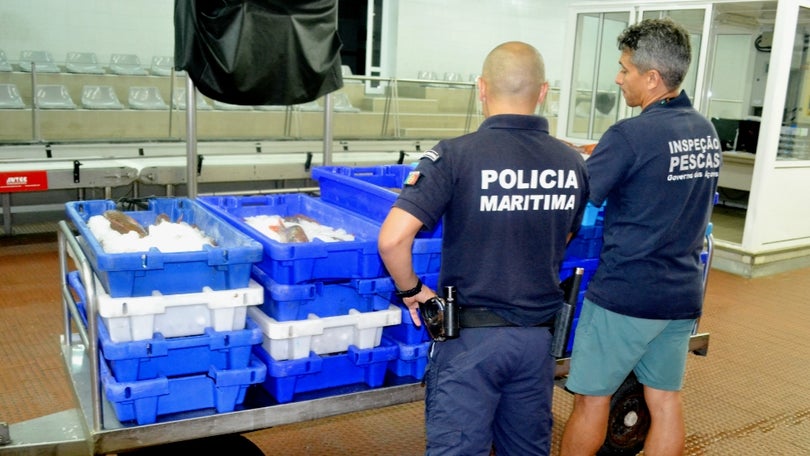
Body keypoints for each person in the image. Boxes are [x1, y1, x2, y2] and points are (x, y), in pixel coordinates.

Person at [377, 41, 589, 456]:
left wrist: (412, 290)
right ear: (544, 92)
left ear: (481, 88)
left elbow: (392, 239)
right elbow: (561, 239)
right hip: (536, 342)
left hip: (469, 343)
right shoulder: (572, 163)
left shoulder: (455, 156)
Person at [559, 18, 721, 456]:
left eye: (624, 69)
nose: (618, 78)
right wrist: (606, 153)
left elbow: (576, 201)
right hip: (680, 294)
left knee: (592, 400)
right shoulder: (704, 131)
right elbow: (659, 172)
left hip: (626, 296)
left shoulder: (629, 135)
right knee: (664, 401)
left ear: (651, 78)